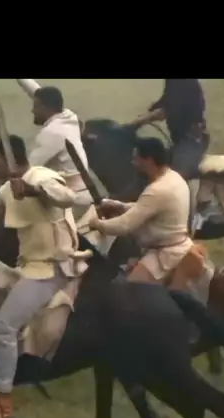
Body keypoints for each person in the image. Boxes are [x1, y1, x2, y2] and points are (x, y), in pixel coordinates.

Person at [0, 135, 88, 418]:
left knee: (5, 325)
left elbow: (67, 197)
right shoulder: (6, 190)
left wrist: (31, 189)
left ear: (11, 160)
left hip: (52, 270)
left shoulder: (43, 176)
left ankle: (3, 399)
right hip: (27, 267)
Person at [89, 136, 207, 286]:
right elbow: (147, 208)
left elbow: (124, 226)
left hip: (165, 255)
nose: (133, 162)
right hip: (177, 246)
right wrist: (120, 206)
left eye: (136, 159)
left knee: (129, 290)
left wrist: (96, 224)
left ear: (148, 160)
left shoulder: (156, 190)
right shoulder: (174, 178)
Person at [129, 79, 210, 229]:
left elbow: (168, 110)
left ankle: (191, 220)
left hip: (192, 141)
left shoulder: (185, 82)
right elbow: (167, 99)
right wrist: (151, 109)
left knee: (176, 178)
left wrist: (140, 121)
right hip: (180, 141)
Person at [16, 80, 92, 222]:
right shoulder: (68, 117)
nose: (32, 111)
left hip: (73, 200)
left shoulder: (52, 133)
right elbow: (38, 92)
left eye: (35, 106)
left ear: (46, 108)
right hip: (83, 192)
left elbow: (28, 169)